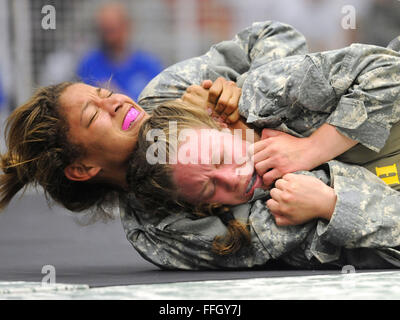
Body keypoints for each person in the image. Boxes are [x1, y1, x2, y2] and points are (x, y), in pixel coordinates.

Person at [1, 21, 400, 269]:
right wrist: (328, 199)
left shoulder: (169, 94)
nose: (116, 101)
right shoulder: (162, 232)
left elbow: (272, 35)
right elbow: (295, 228)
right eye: (94, 116)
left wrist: (249, 94)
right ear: (83, 168)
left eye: (102, 92)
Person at [127, 100, 400, 269]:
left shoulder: (281, 105)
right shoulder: (281, 215)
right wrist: (330, 207)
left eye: (222, 158)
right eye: (210, 190)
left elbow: (384, 70)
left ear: (223, 125)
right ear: (205, 207)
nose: (232, 179)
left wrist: (313, 149)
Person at [77, 2, 164, 102]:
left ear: (126, 26)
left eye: (112, 29)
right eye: (104, 30)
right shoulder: (89, 64)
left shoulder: (148, 64)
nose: (109, 37)